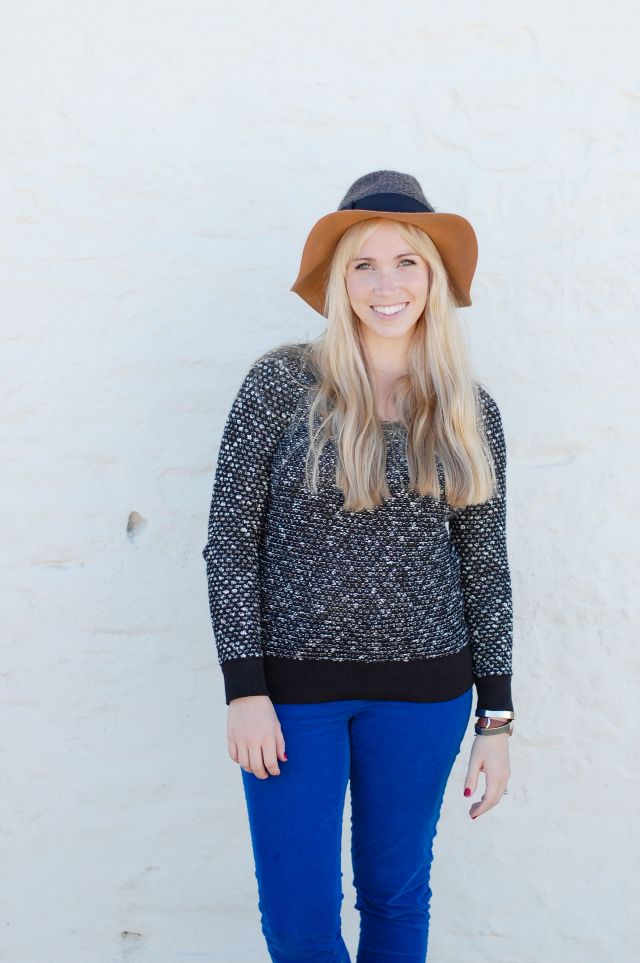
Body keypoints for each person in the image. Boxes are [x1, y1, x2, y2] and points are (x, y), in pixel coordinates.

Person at [203, 170, 514, 963]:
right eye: (363, 264)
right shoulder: (279, 385)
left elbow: (485, 568)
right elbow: (230, 541)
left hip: (427, 697)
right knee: (299, 919)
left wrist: (497, 720)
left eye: (407, 262)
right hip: (291, 699)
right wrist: (245, 689)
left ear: (433, 278)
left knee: (396, 896)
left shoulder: (467, 408)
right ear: (339, 281)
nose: (386, 285)